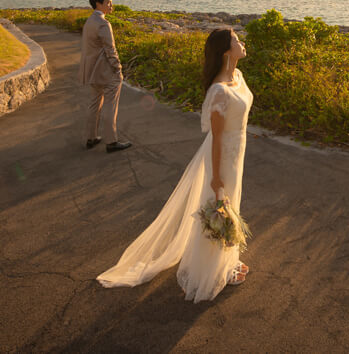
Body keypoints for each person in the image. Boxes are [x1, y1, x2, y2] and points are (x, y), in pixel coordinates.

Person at [97, 27, 253, 302]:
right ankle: (207, 271)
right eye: (236, 40)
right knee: (218, 207)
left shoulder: (237, 76)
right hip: (223, 156)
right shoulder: (218, 91)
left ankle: (226, 261)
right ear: (226, 51)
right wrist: (215, 177)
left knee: (232, 206)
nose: (242, 43)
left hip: (237, 151)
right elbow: (216, 139)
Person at [79, 0, 132, 153]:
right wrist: (118, 68)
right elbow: (111, 49)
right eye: (108, 2)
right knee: (110, 104)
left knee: (95, 103)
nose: (111, 5)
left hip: (92, 70)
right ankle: (111, 141)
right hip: (105, 71)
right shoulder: (103, 23)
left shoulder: (89, 21)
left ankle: (91, 137)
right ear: (98, 4)